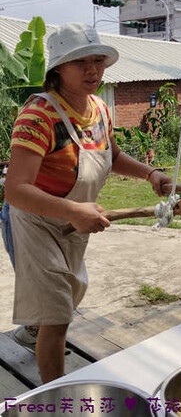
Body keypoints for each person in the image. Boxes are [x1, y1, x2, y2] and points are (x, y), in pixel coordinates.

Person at [4, 23, 171, 383]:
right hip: (34, 223)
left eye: (98, 60)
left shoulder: (98, 109)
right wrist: (75, 211)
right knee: (58, 316)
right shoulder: (38, 115)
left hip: (73, 222)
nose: (93, 69)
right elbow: (15, 190)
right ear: (58, 69)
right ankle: (55, 397)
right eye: (81, 62)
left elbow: (112, 156)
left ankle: (31, 332)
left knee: (64, 301)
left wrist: (150, 174)